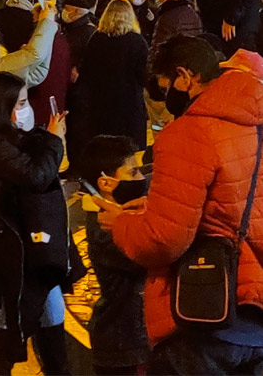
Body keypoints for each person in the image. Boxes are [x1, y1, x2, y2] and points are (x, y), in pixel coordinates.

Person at [99, 36, 263, 374]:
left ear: (184, 77)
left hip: (210, 318)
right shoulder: (256, 119)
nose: (161, 102)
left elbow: (163, 240)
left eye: (163, 89)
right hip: (257, 314)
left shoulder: (188, 132)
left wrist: (121, 223)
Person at [0, 72, 77, 376]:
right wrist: (53, 140)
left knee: (51, 318)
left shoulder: (9, 139)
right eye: (21, 103)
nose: (25, 110)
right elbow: (36, 177)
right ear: (2, 107)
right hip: (7, 256)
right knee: (8, 329)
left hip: (33, 249)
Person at [79, 135, 149, 375]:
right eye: (133, 173)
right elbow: (150, 255)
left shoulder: (122, 216)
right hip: (123, 345)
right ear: (106, 183)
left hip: (129, 341)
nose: (141, 179)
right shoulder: (105, 230)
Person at [70, 0, 148, 161]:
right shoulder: (137, 42)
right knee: (128, 152)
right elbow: (144, 76)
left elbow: (87, 74)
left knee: (106, 151)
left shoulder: (97, 40)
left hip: (101, 105)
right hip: (129, 106)